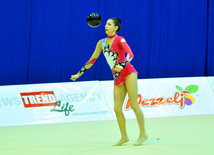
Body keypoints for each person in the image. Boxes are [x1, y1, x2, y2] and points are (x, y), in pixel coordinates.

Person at [71, 17, 148, 146]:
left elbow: (131, 54)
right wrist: (78, 74)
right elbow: (92, 60)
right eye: (106, 24)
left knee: (134, 104)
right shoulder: (101, 43)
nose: (106, 26)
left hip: (129, 72)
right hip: (117, 76)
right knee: (117, 108)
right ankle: (124, 137)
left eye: (109, 24)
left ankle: (143, 134)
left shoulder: (120, 39)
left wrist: (122, 65)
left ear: (116, 27)